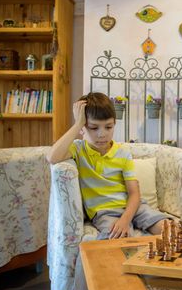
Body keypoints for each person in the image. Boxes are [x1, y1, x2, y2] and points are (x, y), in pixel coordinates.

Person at [46, 92, 168, 239]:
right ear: (82, 128)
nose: (102, 134)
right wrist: (78, 123)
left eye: (108, 127)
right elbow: (52, 157)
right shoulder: (78, 150)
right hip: (104, 212)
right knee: (118, 237)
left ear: (114, 124)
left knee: (169, 229)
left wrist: (125, 219)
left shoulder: (123, 153)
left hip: (135, 207)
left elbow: (134, 193)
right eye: (94, 127)